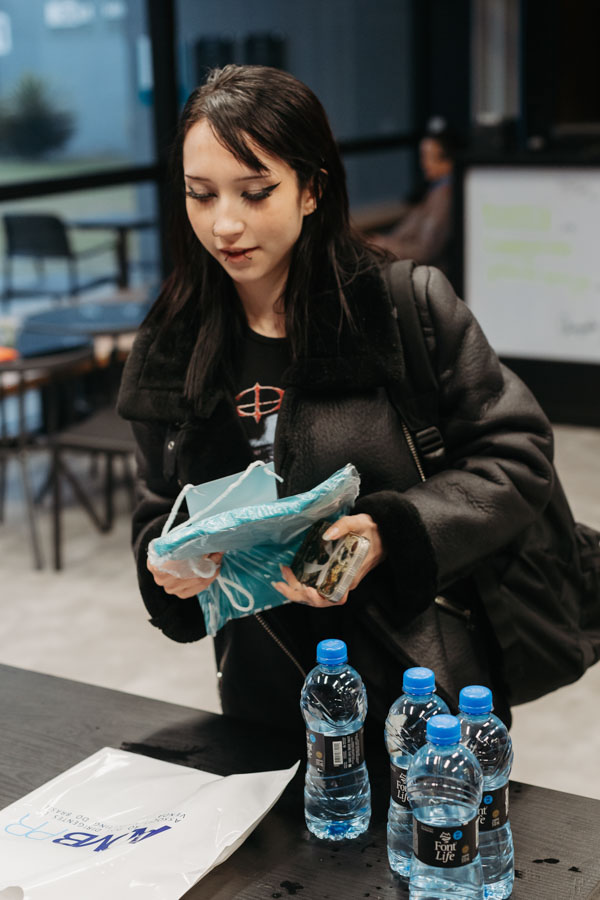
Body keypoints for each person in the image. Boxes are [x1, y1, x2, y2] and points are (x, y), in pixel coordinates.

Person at [118, 66, 554, 738]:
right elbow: (157, 501)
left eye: (255, 193)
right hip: (265, 690)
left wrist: (388, 534)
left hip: (418, 686)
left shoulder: (400, 307)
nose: (225, 223)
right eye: (200, 195)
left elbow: (515, 457)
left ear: (312, 189)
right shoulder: (173, 340)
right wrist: (169, 563)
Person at [370, 120, 457, 274]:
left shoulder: (444, 197)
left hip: (423, 273)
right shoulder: (434, 191)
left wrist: (383, 246)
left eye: (428, 157)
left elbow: (425, 250)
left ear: (447, 159)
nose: (423, 164)